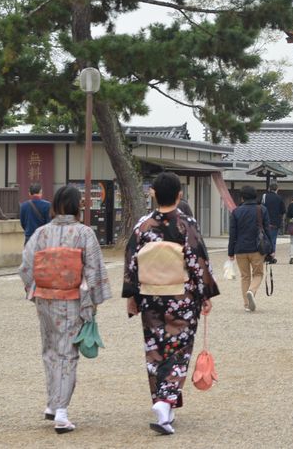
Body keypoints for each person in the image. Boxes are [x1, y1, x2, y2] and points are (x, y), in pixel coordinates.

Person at [122, 172, 219, 436]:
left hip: (151, 296)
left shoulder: (142, 226)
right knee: (178, 349)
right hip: (182, 297)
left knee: (155, 351)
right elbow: (198, 260)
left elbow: (131, 260)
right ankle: (165, 403)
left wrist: (132, 295)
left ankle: (164, 403)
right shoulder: (186, 224)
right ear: (179, 195)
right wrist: (205, 294)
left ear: (153, 193)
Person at [20, 184, 111, 435]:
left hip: (45, 298)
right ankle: (61, 412)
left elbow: (26, 266)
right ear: (76, 206)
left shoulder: (41, 233)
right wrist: (90, 302)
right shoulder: (83, 233)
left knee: (50, 349)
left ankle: (52, 403)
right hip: (71, 299)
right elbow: (93, 270)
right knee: (67, 353)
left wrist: (34, 290)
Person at [228, 186, 270, 311]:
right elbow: (267, 230)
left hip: (240, 248)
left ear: (242, 197)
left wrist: (231, 252)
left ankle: (247, 304)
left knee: (245, 276)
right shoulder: (262, 209)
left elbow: (232, 234)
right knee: (258, 274)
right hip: (257, 248)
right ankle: (251, 291)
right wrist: (271, 249)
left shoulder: (236, 211)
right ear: (255, 196)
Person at [262, 182, 287, 253]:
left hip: (264, 221)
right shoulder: (279, 198)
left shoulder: (264, 196)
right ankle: (272, 255)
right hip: (275, 222)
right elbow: (283, 211)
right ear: (277, 189)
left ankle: (264, 254)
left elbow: (260, 207)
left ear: (269, 188)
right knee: (273, 240)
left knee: (264, 239)